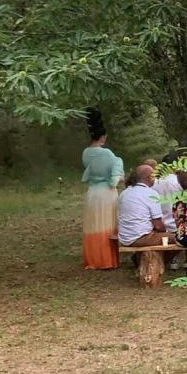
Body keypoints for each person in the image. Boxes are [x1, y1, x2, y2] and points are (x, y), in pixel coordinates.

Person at [81, 114, 125, 269]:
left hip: (92, 192)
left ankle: (92, 258)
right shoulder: (107, 154)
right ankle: (106, 259)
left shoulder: (86, 152)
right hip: (106, 192)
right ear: (103, 137)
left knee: (93, 225)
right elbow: (115, 178)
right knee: (106, 225)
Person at [117, 164, 166, 248]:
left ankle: (139, 259)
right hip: (140, 238)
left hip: (124, 238)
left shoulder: (124, 193)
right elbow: (158, 225)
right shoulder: (151, 193)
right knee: (181, 238)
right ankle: (166, 261)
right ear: (149, 177)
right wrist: (165, 231)